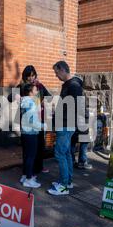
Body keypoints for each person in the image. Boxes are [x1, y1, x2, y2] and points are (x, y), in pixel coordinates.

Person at [48, 61, 84, 196]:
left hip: (66, 124)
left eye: (56, 73)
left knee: (60, 153)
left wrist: (59, 112)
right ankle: (67, 181)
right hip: (66, 123)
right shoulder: (70, 85)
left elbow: (75, 107)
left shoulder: (73, 86)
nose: (56, 76)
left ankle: (63, 186)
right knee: (67, 153)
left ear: (62, 70)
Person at [10, 65, 51, 174]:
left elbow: (49, 96)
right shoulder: (22, 87)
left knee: (39, 145)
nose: (31, 78)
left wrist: (44, 101)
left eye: (33, 75)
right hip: (27, 122)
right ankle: (28, 170)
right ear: (25, 76)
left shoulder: (39, 86)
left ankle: (39, 167)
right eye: (29, 76)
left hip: (38, 119)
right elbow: (10, 98)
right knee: (28, 147)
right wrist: (18, 96)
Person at [19, 83, 44, 188]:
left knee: (27, 156)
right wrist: (44, 126)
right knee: (31, 156)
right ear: (30, 92)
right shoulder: (31, 103)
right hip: (31, 133)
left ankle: (25, 175)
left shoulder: (24, 102)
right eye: (35, 90)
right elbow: (32, 121)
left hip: (25, 133)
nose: (37, 92)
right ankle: (29, 179)